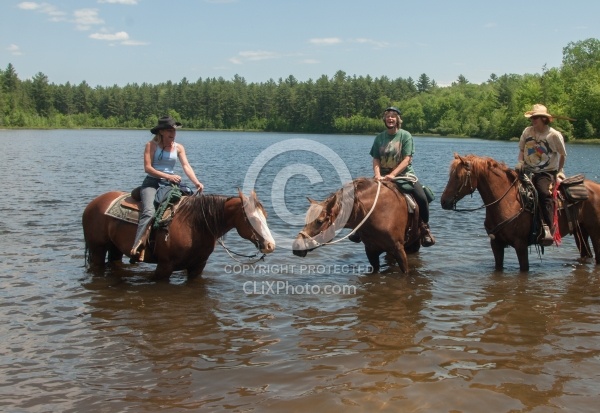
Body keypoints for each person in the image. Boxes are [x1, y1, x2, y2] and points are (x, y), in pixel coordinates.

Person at [350, 106, 435, 247]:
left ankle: (424, 228)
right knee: (360, 196)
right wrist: (377, 175)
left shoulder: (405, 136)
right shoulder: (379, 138)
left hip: (404, 175)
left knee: (422, 198)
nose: (390, 118)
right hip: (381, 176)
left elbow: (407, 159)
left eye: (393, 116)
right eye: (388, 116)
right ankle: (359, 229)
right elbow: (376, 158)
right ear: (385, 119)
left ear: (398, 120)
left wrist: (392, 175)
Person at [130, 115, 204, 260]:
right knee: (149, 212)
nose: (173, 134)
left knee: (189, 209)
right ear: (161, 132)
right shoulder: (151, 145)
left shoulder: (179, 147)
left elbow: (186, 166)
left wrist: (196, 182)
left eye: (174, 131)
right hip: (152, 183)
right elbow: (148, 168)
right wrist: (168, 176)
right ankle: (137, 246)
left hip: (170, 184)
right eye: (169, 130)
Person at [515, 104, 567, 246]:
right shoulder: (527, 131)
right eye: (532, 117)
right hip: (527, 169)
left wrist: (559, 171)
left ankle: (549, 228)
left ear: (544, 119)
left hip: (546, 172)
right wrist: (520, 162)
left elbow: (562, 155)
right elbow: (521, 149)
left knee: (543, 192)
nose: (533, 120)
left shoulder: (554, 135)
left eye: (536, 117)